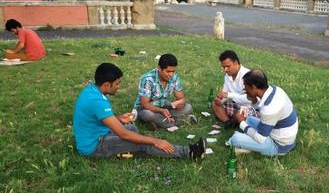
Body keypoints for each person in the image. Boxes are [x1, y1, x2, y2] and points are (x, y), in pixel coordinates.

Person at [73, 62, 205, 159]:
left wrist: (118, 118)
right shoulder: (97, 101)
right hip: (93, 146)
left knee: (131, 128)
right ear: (107, 84)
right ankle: (189, 152)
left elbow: (95, 117)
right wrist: (155, 141)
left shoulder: (92, 90)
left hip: (98, 133)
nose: (118, 87)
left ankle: (129, 151)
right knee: (142, 142)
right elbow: (124, 134)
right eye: (117, 84)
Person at [227, 70, 298, 156]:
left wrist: (241, 123)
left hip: (279, 145)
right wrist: (254, 100)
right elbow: (263, 109)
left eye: (245, 86)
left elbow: (260, 138)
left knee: (235, 138)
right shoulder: (276, 90)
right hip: (277, 131)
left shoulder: (269, 108)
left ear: (253, 87)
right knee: (248, 119)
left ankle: (251, 147)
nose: (244, 89)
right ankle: (250, 145)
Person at [133, 53, 197, 130]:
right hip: (147, 108)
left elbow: (181, 98)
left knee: (188, 107)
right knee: (147, 115)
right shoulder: (148, 79)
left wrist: (179, 103)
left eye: (173, 71)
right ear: (159, 68)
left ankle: (158, 123)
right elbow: (145, 104)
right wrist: (161, 110)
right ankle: (178, 122)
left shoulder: (174, 78)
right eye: (168, 71)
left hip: (165, 106)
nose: (171, 75)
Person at [212, 50, 258, 128]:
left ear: (236, 63)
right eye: (223, 67)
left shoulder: (248, 76)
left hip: (248, 107)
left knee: (242, 113)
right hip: (234, 104)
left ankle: (234, 119)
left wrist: (228, 95)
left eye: (228, 66)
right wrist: (220, 100)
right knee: (215, 104)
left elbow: (251, 99)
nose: (225, 69)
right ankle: (228, 122)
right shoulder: (227, 75)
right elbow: (225, 93)